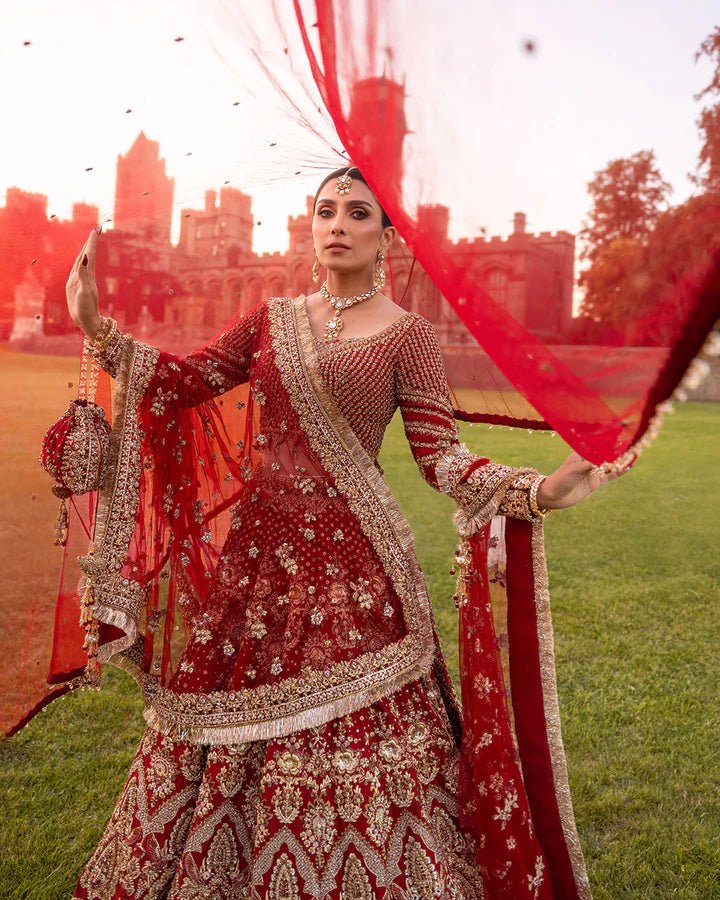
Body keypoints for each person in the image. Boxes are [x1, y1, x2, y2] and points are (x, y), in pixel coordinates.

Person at [65, 166, 622, 899]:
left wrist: (538, 490)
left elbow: (441, 456)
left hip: (356, 568)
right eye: (325, 210)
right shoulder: (272, 319)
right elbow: (180, 383)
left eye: (357, 213)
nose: (335, 224)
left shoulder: (408, 336)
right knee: (227, 715)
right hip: (256, 564)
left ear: (386, 236)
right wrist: (97, 330)